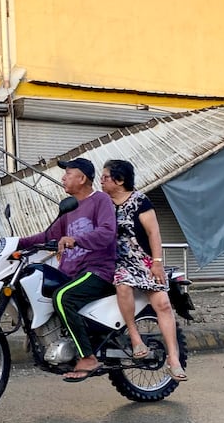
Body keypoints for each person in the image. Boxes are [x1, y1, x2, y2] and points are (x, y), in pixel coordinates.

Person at [18, 157, 117, 382]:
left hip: (98, 270)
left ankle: (88, 357)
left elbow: (107, 232)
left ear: (82, 178)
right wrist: (16, 243)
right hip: (72, 272)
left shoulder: (100, 200)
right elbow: (47, 236)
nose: (63, 177)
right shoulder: (69, 207)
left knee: (63, 297)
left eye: (68, 173)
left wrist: (76, 239)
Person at [100, 159, 188, 382]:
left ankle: (174, 358)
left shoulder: (140, 201)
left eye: (106, 177)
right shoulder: (103, 204)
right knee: (122, 285)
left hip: (144, 260)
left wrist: (157, 262)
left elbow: (153, 233)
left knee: (163, 304)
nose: (101, 180)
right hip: (118, 262)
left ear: (120, 180)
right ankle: (135, 337)